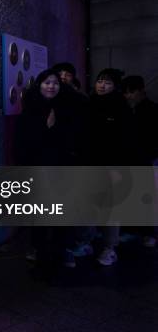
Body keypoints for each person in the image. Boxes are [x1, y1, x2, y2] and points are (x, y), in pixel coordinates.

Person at [15, 69, 84, 268]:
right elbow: (23, 143)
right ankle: (38, 248)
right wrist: (46, 127)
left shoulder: (68, 108)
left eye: (55, 83)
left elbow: (73, 139)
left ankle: (64, 249)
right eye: (47, 82)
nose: (51, 86)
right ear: (39, 85)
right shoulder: (29, 110)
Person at [86, 68, 133, 265]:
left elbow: (126, 139)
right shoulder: (89, 103)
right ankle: (87, 241)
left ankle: (109, 248)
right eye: (99, 81)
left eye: (107, 83)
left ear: (115, 86)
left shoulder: (121, 106)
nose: (102, 85)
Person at [122, 76, 158, 247]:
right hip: (131, 158)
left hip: (144, 159)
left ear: (140, 91)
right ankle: (135, 230)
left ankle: (148, 232)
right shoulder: (129, 110)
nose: (128, 96)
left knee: (145, 196)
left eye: (131, 92)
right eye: (126, 92)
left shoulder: (150, 110)